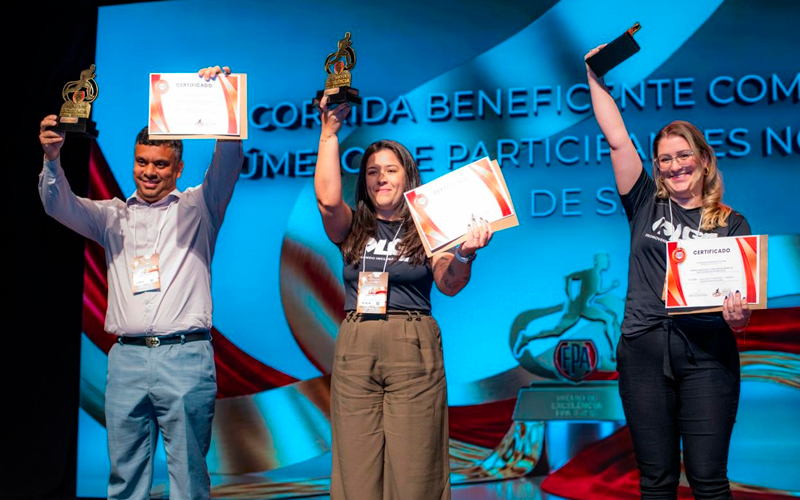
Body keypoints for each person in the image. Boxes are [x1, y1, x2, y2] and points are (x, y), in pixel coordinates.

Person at [39, 65, 243, 500]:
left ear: (179, 168)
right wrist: (52, 158)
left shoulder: (200, 206)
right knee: (125, 478)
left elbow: (228, 162)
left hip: (185, 356)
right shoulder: (111, 216)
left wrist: (221, 97)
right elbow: (57, 205)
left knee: (188, 477)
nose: (149, 172)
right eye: (142, 162)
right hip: (127, 360)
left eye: (161, 164)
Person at [585, 45, 751, 500]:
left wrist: (739, 318)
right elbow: (618, 138)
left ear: (703, 159)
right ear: (657, 167)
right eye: (665, 159)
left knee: (708, 480)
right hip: (643, 351)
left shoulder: (732, 224)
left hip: (707, 356)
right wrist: (594, 77)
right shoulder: (644, 202)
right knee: (656, 481)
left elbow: (740, 308)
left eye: (683, 155)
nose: (675, 166)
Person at [315, 95, 493, 500]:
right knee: (355, 463)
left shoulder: (430, 227)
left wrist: (465, 253)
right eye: (372, 171)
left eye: (390, 170)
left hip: (411, 343)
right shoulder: (352, 226)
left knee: (417, 465)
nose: (381, 178)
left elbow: (449, 283)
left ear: (407, 177)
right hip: (357, 342)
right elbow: (327, 199)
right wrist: (329, 134)